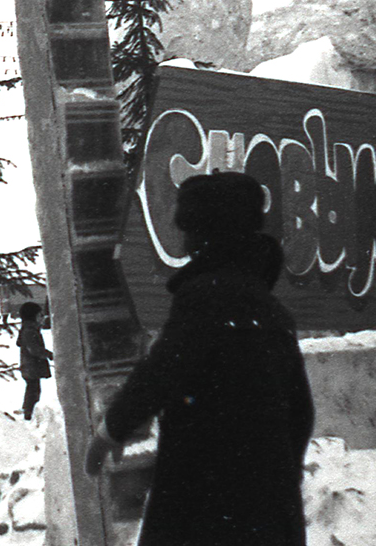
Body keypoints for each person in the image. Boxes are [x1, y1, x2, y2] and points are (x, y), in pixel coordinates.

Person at [84, 172, 314, 546]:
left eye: (190, 230)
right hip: (267, 511)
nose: (186, 242)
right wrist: (282, 477)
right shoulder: (273, 311)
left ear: (209, 235)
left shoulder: (205, 297)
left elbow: (161, 371)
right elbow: (301, 411)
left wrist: (111, 430)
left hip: (207, 501)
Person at [17, 301, 53, 420]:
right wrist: (48, 354)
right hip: (31, 367)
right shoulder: (29, 331)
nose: (42, 318)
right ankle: (29, 413)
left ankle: (28, 410)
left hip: (29, 367)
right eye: (40, 315)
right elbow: (34, 349)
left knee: (32, 389)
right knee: (34, 391)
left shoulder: (29, 329)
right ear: (34, 317)